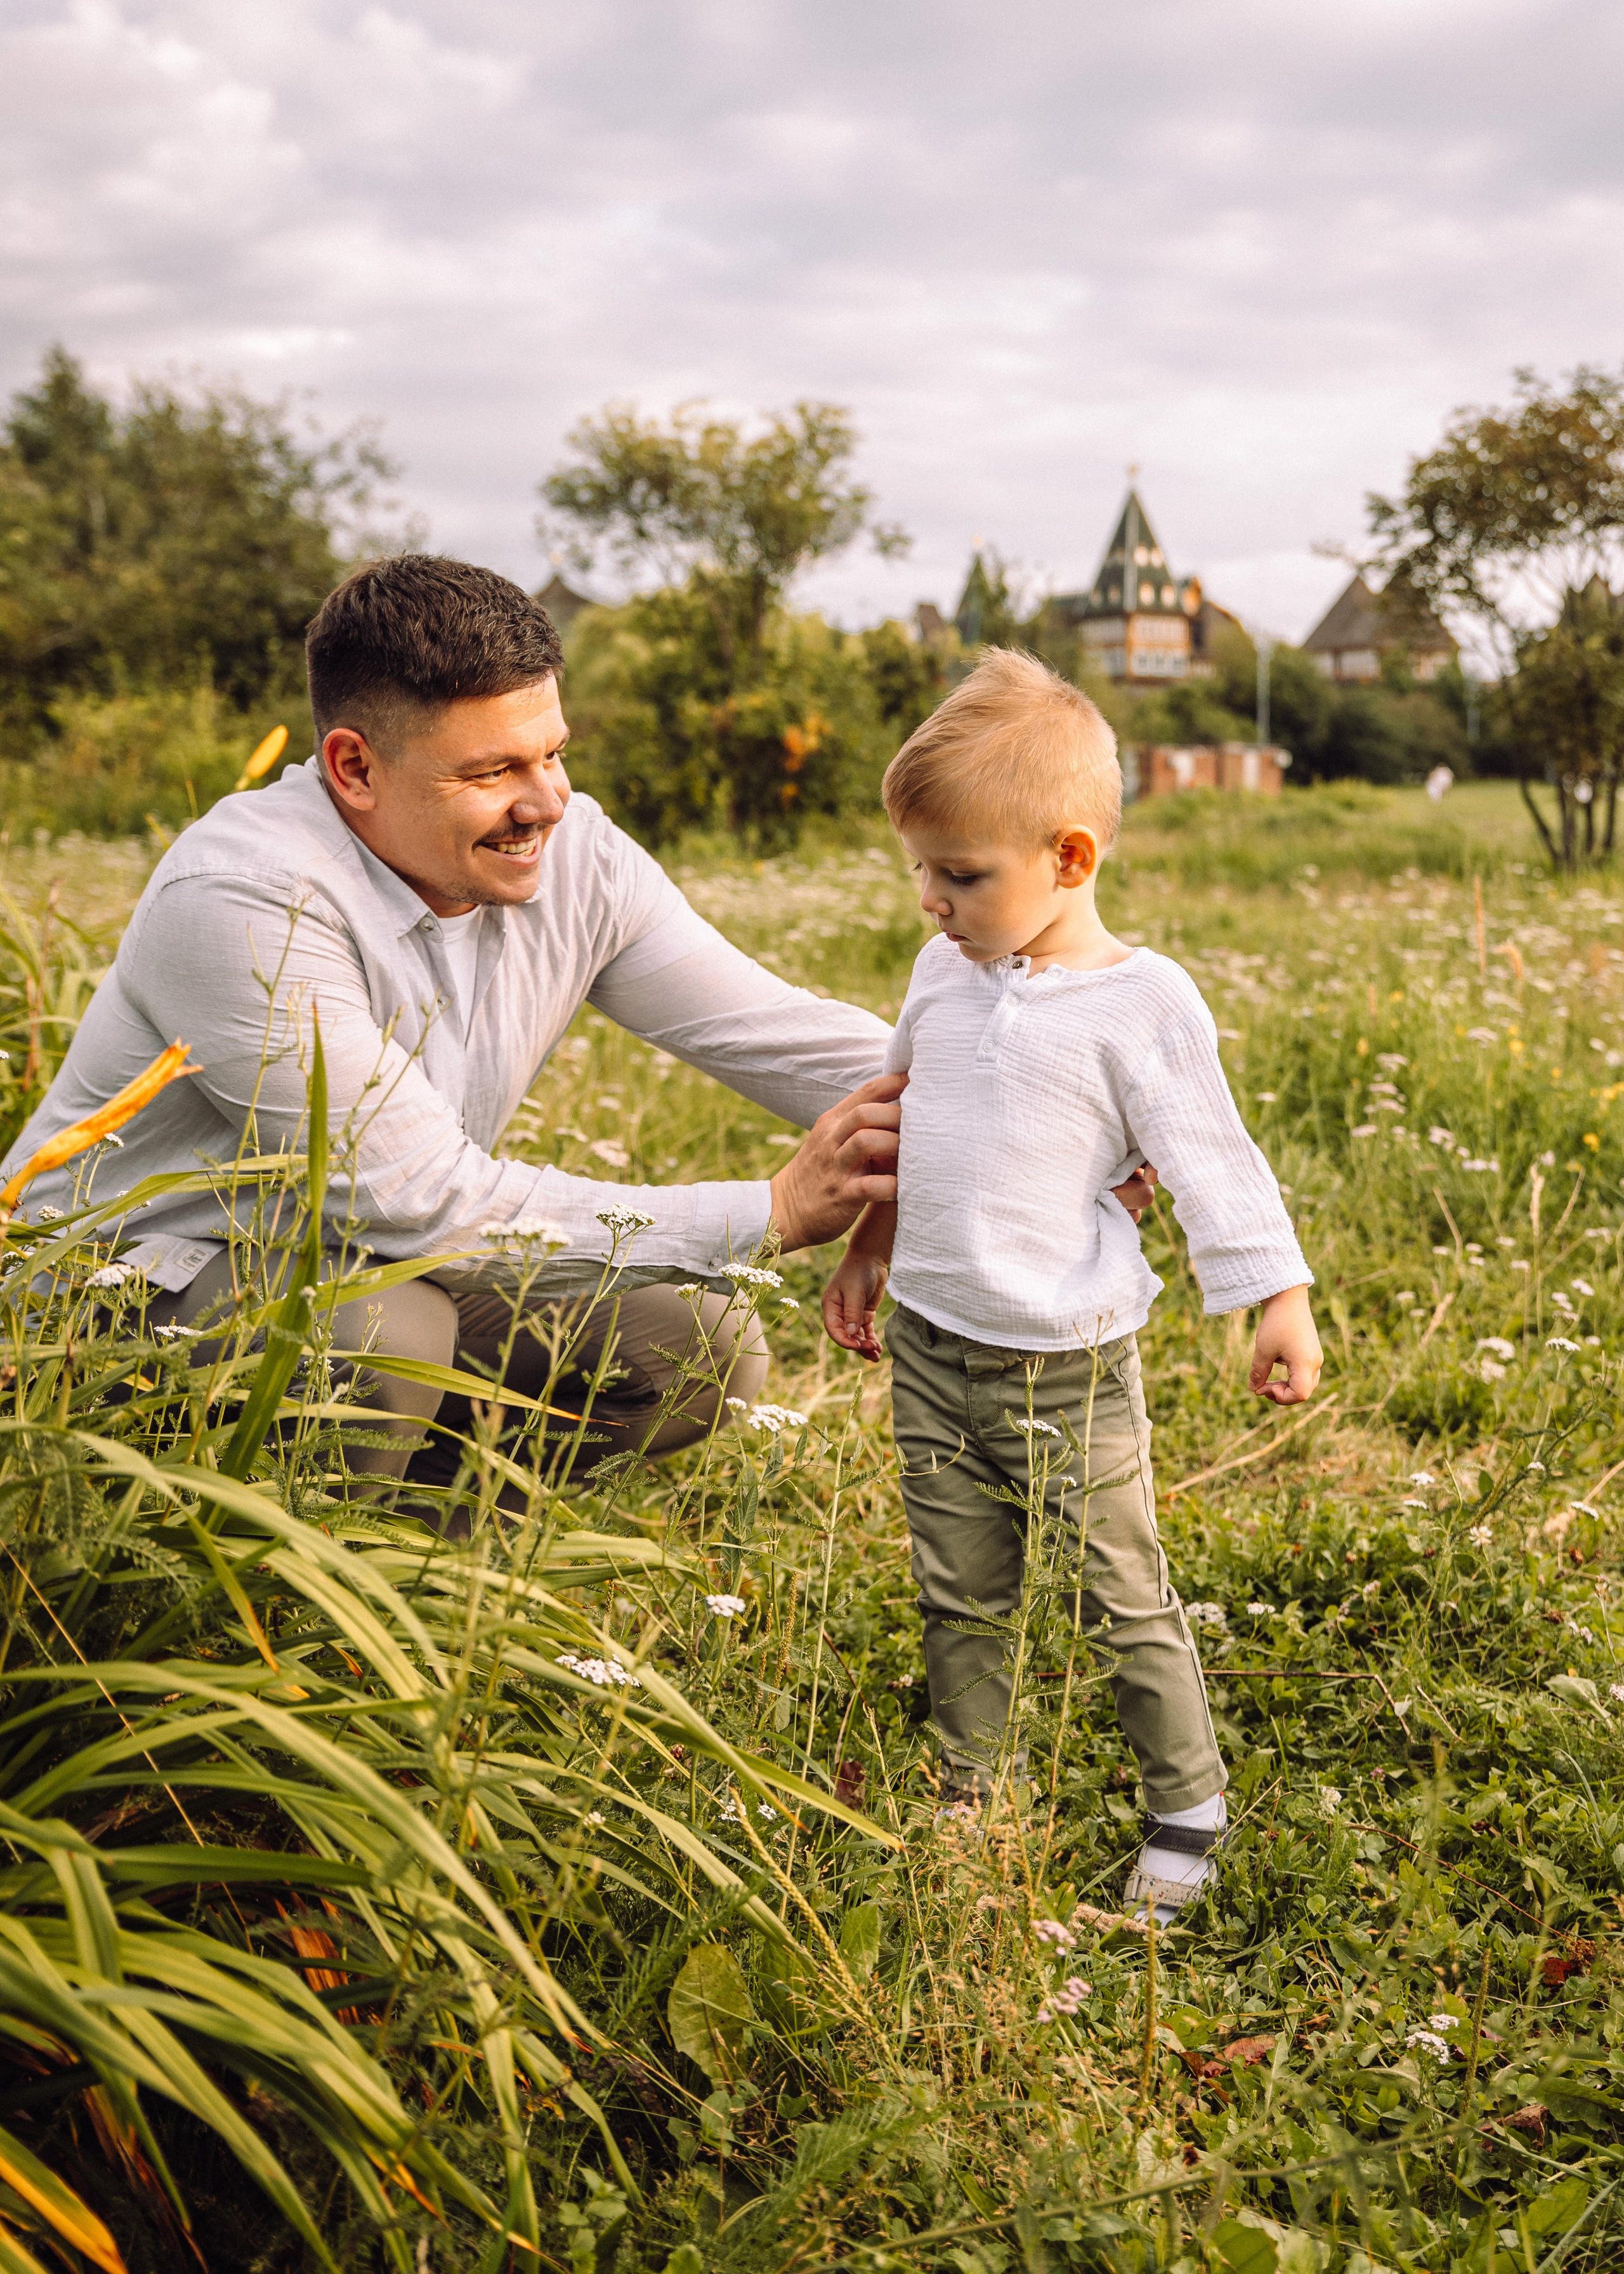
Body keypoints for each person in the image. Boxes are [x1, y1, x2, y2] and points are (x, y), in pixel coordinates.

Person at [3, 556, 914, 1485]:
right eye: (492, 771)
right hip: (109, 1305)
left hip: (368, 1259)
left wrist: (980, 1085)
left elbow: (775, 1032)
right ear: (355, 767)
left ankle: (433, 1546)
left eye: (553, 753)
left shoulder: (576, 860)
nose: (547, 802)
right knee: (382, 1337)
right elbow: (424, 1201)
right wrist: (772, 1211)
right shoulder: (242, 896)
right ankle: (205, 1553)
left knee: (698, 1347)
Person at [822, 650, 1321, 1919]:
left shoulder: (1140, 1005)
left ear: (1070, 858)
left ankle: (1187, 1807)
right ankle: (967, 1791)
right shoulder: (939, 974)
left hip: (1068, 1366)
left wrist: (1277, 1296)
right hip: (934, 1346)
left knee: (1121, 1592)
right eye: (920, 870)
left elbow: (1209, 1158)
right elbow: (906, 1117)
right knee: (958, 1589)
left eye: (960, 875)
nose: (931, 900)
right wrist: (870, 1242)